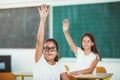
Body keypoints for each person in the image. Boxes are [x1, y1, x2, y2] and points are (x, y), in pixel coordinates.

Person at [33, 4, 70, 80]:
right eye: (46, 48)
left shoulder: (60, 65)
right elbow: (40, 41)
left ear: (57, 52)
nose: (49, 51)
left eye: (53, 48)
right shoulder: (40, 61)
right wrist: (43, 19)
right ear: (43, 51)